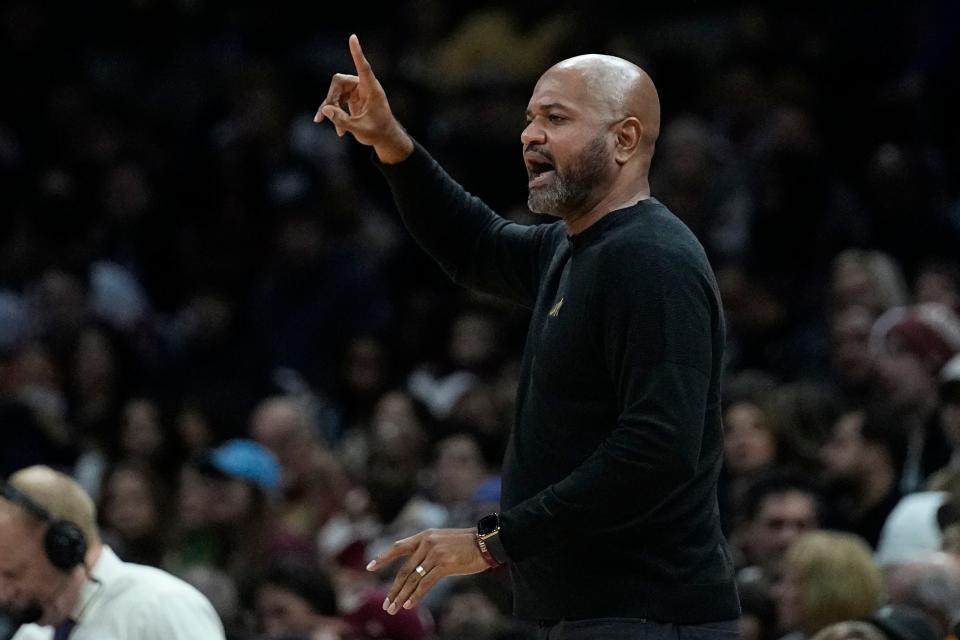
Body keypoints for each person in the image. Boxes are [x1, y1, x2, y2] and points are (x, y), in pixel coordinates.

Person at [315, 34, 739, 637]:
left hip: (645, 612)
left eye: (555, 119)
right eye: (531, 118)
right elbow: (475, 245)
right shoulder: (575, 246)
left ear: (623, 139)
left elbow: (658, 447)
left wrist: (495, 541)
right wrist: (389, 140)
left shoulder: (650, 259)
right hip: (589, 610)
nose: (529, 134)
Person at [0, 465, 224, 639]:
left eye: (14, 573)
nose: (4, 593)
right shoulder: (32, 636)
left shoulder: (161, 606)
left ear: (62, 548)